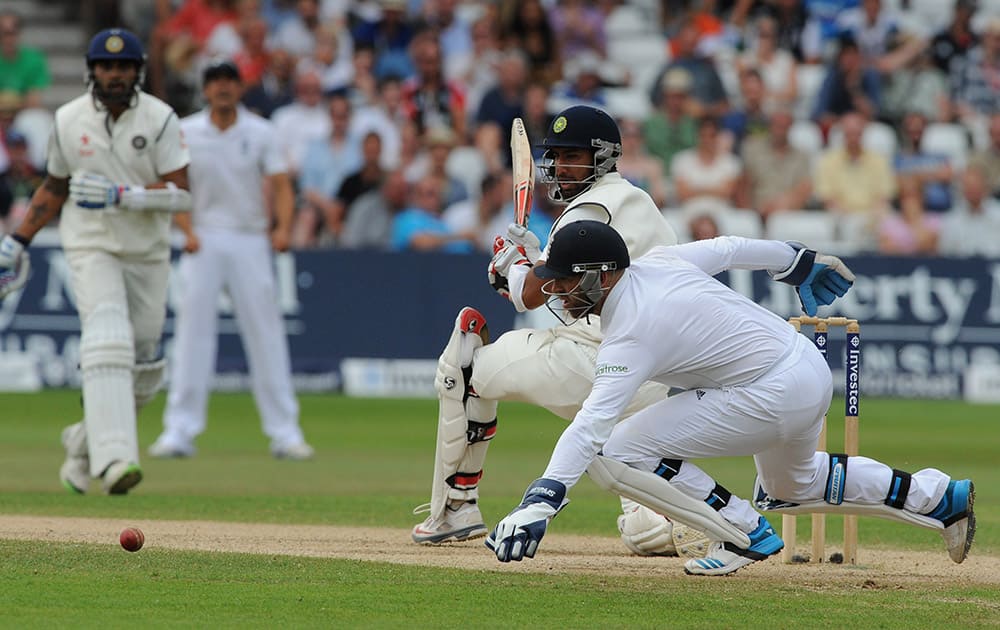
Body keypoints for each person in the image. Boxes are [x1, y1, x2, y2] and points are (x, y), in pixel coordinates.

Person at [484, 220, 975, 575]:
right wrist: (797, 262)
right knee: (794, 485)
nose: (559, 292)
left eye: (568, 280)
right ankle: (939, 499)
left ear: (604, 275)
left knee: (619, 449)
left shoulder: (631, 333)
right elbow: (729, 247)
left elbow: (590, 426)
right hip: (802, 365)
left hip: (771, 392)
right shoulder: (659, 263)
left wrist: (541, 500)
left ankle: (743, 532)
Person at [412, 105, 706, 560]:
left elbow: (532, 295)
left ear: (603, 157)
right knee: (644, 532)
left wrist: (509, 269)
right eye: (558, 155)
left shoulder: (585, 211)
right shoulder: (635, 200)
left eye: (574, 156)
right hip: (654, 377)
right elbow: (569, 278)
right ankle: (696, 523)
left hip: (592, 362)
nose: (561, 166)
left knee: (463, 367)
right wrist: (529, 258)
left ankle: (456, 508)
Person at [0, 29, 193, 494]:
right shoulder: (67, 119)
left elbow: (180, 194)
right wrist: (17, 240)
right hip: (90, 245)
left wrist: (123, 195)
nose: (115, 73)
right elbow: (55, 186)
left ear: (137, 70)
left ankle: (81, 446)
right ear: (92, 71)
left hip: (146, 253)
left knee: (144, 362)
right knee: (106, 338)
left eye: (124, 66)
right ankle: (115, 460)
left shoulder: (160, 118)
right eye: (106, 66)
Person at [149, 60, 313, 461]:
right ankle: (179, 430)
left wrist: (282, 229)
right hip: (203, 238)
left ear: (240, 88)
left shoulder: (261, 132)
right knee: (192, 336)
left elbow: (280, 184)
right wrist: (186, 230)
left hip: (250, 238)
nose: (222, 88)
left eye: (229, 82)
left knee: (266, 335)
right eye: (215, 82)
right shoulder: (186, 130)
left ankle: (285, 432)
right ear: (206, 90)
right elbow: (172, 184)